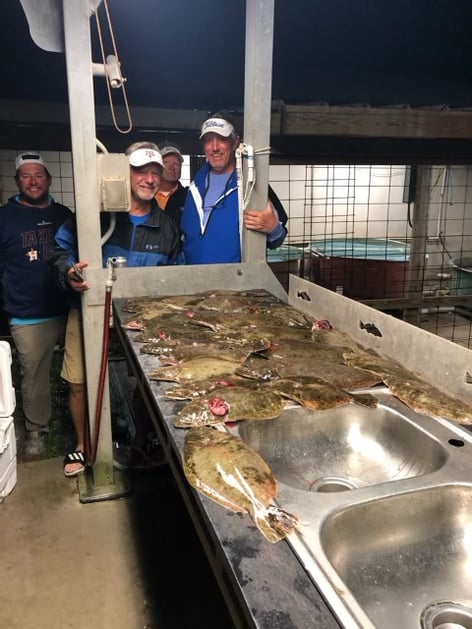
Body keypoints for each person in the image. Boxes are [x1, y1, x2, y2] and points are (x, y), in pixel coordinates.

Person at [50, 142, 182, 476]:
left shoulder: (166, 228)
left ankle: (141, 441)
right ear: (123, 173)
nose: (150, 179)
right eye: (142, 171)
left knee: (150, 382)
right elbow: (58, 250)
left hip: (141, 318)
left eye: (156, 173)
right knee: (79, 381)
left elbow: (175, 274)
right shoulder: (96, 215)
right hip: (89, 309)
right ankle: (84, 446)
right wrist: (69, 272)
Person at [0, 152, 72, 457]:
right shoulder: (4, 217)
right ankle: (37, 430)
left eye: (39, 175)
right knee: (34, 377)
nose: (33, 181)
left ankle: (81, 422)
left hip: (70, 307)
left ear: (49, 179)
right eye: (26, 176)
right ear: (17, 181)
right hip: (28, 313)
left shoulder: (63, 214)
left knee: (78, 373)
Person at [181, 113, 288, 264]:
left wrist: (273, 228)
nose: (215, 147)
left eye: (222, 139)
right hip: (195, 281)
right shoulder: (195, 187)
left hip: (236, 283)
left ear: (235, 142)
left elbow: (277, 240)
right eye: (209, 141)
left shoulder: (252, 185)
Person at [154, 143, 188, 229]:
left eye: (176, 164)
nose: (172, 167)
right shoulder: (146, 194)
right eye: (166, 162)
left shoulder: (189, 197)